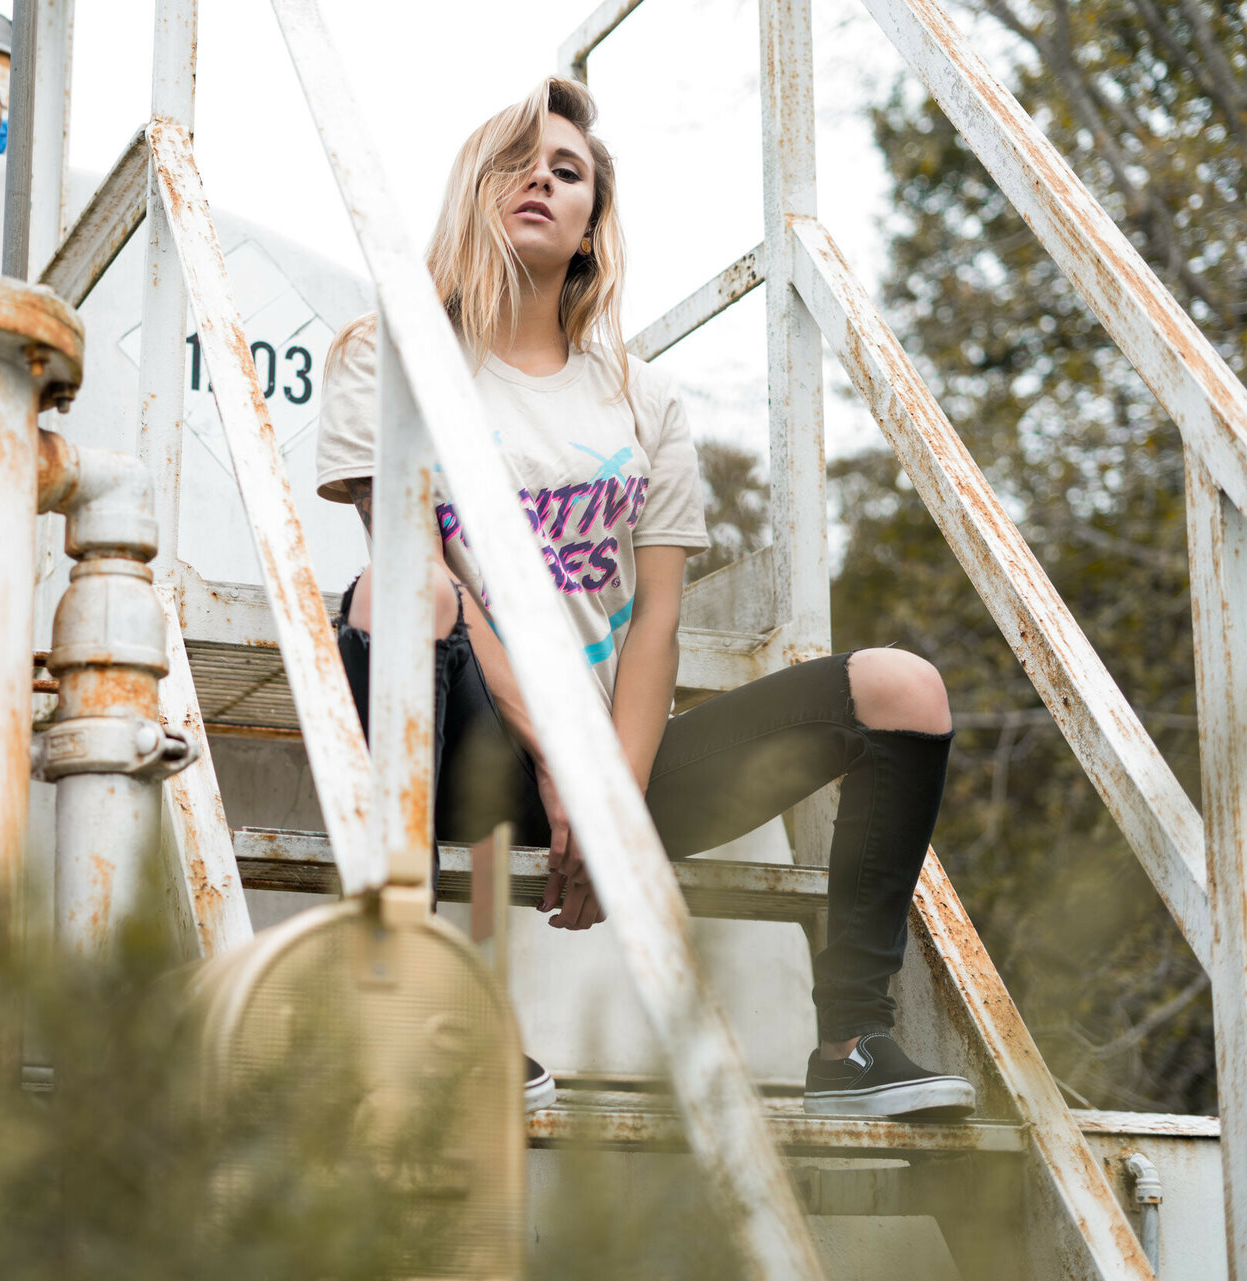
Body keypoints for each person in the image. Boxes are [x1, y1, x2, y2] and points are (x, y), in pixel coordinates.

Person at [313, 76, 975, 1121]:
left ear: (590, 226)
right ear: (475, 188)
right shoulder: (388, 354)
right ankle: (430, 1010)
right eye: (516, 160)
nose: (541, 179)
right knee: (403, 588)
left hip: (616, 753)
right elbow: (419, 574)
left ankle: (851, 1045)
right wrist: (559, 766)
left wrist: (613, 799)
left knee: (903, 688)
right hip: (458, 732)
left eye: (567, 171)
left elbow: (657, 620)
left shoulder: (642, 396)